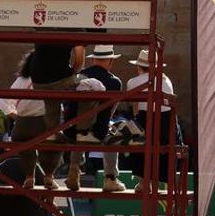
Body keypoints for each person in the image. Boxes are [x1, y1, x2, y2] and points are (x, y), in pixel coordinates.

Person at [0, 52, 60, 190]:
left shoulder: (20, 80)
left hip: (21, 126)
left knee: (25, 151)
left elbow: (4, 103)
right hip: (44, 124)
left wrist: (19, 117)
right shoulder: (51, 78)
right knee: (55, 146)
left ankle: (29, 177)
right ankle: (49, 177)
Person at [68, 44, 126, 192]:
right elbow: (110, 112)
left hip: (73, 131)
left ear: (93, 59)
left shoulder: (79, 76)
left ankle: (74, 167)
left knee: (81, 127)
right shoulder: (115, 82)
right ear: (110, 61)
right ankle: (110, 178)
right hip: (99, 132)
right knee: (113, 133)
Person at [124, 48, 177, 193]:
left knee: (137, 133)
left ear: (138, 66)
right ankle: (156, 181)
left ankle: (143, 182)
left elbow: (135, 110)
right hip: (167, 126)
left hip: (146, 121)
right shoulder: (167, 81)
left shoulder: (132, 82)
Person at [29, 39, 84, 138]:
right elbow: (79, 62)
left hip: (37, 80)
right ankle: (84, 131)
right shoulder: (76, 30)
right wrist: (74, 74)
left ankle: (52, 133)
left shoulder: (44, 28)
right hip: (60, 78)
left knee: (51, 103)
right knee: (93, 85)